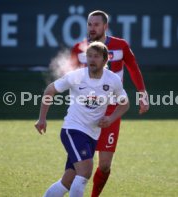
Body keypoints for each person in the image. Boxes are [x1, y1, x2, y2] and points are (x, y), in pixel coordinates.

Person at [35, 41, 130, 197]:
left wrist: (111, 118)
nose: (92, 60)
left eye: (96, 56)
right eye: (89, 56)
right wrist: (42, 119)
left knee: (67, 181)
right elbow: (50, 90)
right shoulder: (77, 76)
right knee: (85, 171)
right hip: (73, 130)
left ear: (105, 60)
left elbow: (124, 103)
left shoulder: (112, 80)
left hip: (92, 135)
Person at [71, 10, 149, 197]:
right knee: (79, 165)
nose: (92, 28)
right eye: (90, 24)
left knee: (104, 166)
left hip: (112, 109)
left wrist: (142, 93)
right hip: (85, 111)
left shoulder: (120, 45)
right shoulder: (78, 49)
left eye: (96, 24)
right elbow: (69, 77)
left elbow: (133, 67)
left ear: (105, 26)